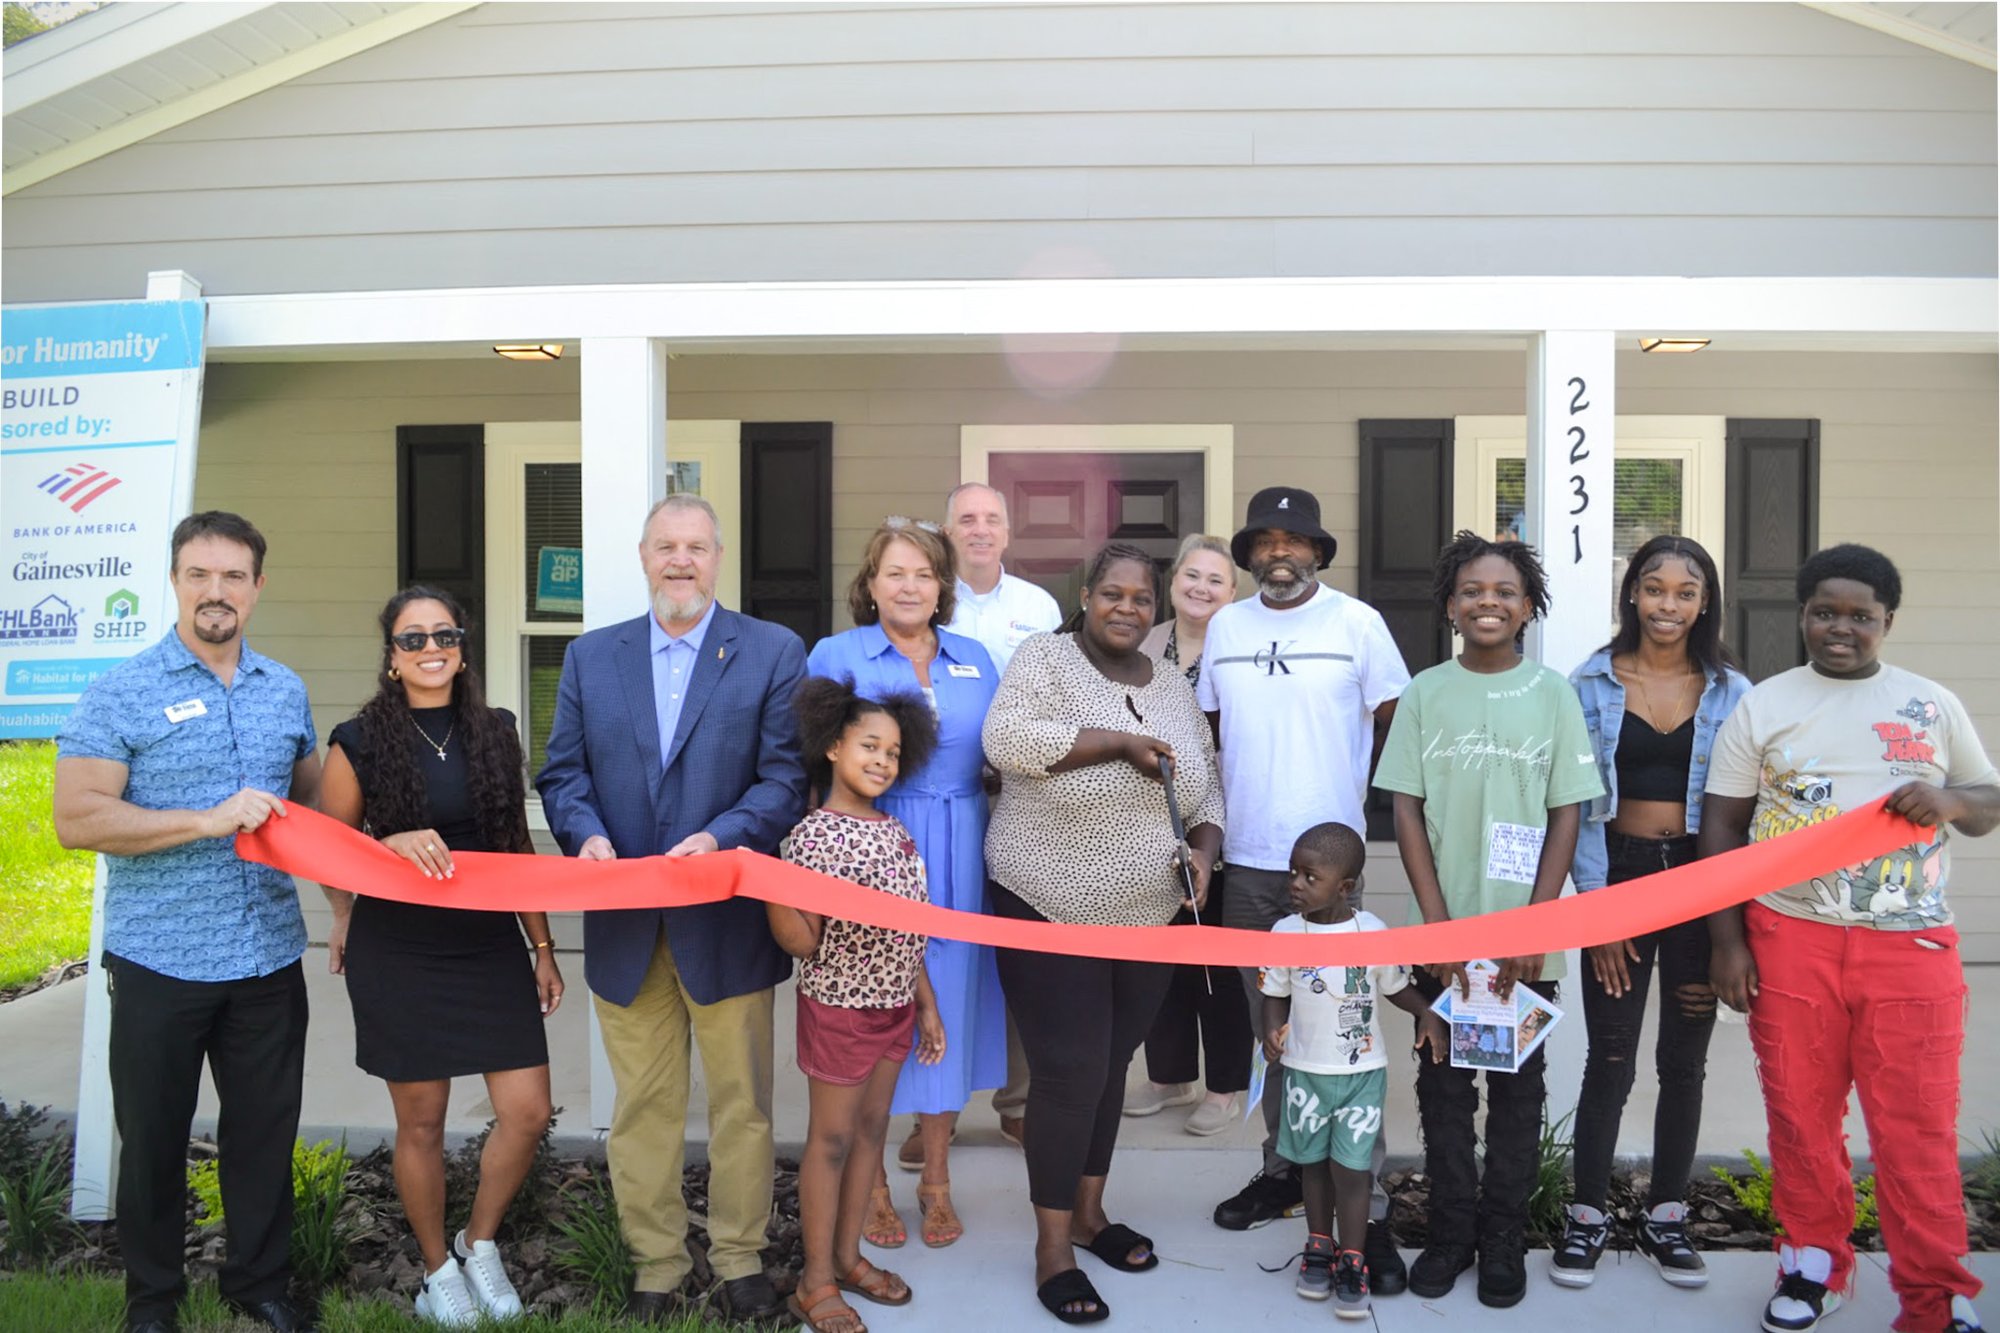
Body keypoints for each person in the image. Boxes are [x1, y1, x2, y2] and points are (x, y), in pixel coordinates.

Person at [1700, 544, 1998, 1333]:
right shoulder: (1765, 704)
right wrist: (1727, 943)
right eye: (1824, 611)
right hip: (1789, 935)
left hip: (1910, 947)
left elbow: (1989, 798)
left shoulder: (1928, 704)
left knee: (1918, 1125)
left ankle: (1936, 1296)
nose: (1841, 628)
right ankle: (1811, 1267)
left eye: (1860, 615)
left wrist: (1947, 798)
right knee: (1800, 1116)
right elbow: (1723, 825)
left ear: (1886, 622)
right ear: (1802, 614)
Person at [535, 494, 808, 1326]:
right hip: (626, 924)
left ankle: (738, 1254)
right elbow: (562, 772)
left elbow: (785, 776)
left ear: (717, 556)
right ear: (644, 555)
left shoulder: (771, 650)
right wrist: (581, 834)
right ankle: (655, 1258)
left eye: (695, 546)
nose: (680, 560)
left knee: (742, 1103)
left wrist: (722, 836)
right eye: (665, 546)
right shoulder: (591, 656)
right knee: (642, 1106)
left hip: (724, 922)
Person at [53, 511, 321, 1333]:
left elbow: (310, 804)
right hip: (160, 960)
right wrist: (205, 820)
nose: (216, 591)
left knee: (264, 1141)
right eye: (199, 574)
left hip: (266, 958)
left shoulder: (284, 688)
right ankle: (152, 1301)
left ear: (257, 587)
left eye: (233, 576)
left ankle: (260, 1286)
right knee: (154, 1144)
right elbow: (78, 817)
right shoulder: (122, 689)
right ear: (174, 579)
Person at [982, 542, 1224, 1324]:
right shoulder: (1044, 659)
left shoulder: (1172, 688)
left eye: (1141, 597)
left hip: (1149, 910)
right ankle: (1051, 1246)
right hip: (1046, 896)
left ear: (1156, 609)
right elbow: (1008, 742)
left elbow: (1206, 785)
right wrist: (1115, 742)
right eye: (1113, 593)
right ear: (1087, 595)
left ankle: (1090, 1213)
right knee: (1068, 1068)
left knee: (1112, 1062)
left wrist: (1205, 852)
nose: (1127, 607)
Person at [318, 587, 562, 1326]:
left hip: (487, 944)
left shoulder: (495, 729)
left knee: (528, 1109)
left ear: (463, 644)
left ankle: (477, 1241)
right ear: (391, 657)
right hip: (400, 948)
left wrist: (542, 946)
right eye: (413, 638)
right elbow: (331, 852)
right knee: (421, 1121)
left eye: (444, 634)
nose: (432, 648)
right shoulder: (357, 740)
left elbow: (517, 849)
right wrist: (378, 854)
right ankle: (435, 1270)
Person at [1372, 530, 1602, 1310]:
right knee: (1443, 1090)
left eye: (1505, 591)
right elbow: (1405, 808)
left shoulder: (1552, 694)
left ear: (1528, 605)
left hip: (1521, 948)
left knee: (1514, 1091)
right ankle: (1450, 1231)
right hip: (1443, 942)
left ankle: (1504, 1236)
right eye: (1472, 590)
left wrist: (1534, 928)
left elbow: (1567, 811)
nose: (1488, 602)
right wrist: (1437, 931)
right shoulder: (1427, 692)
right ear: (1449, 606)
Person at [1197, 486, 1411, 1291]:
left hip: (1337, 870)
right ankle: (1287, 1171)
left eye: (1296, 541)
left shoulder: (1356, 624)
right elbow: (1211, 730)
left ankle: (1368, 1204)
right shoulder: (1226, 627)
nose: (1279, 553)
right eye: (1265, 541)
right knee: (1276, 1034)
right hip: (1254, 864)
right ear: (1249, 554)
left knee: (1349, 1035)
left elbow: (1400, 717)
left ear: (1319, 553)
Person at [1551, 536, 1750, 1292]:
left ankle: (1667, 1212)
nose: (1669, 604)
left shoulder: (1735, 690)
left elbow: (1750, 812)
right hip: (1619, 876)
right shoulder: (1590, 682)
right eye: (1655, 588)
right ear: (1631, 593)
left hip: (1702, 887)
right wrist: (1599, 914)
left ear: (1705, 602)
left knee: (1684, 1061)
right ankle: (1587, 1213)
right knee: (1610, 1057)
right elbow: (1571, 803)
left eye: (1685, 591)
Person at [806, 518, 1006, 1249]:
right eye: (895, 572)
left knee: (946, 1010)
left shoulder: (976, 656)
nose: (910, 586)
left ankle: (937, 1178)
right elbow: (810, 763)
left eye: (923, 574)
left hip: (962, 851)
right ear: (870, 584)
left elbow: (1005, 752)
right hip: (873, 850)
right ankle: (876, 1183)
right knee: (877, 1010)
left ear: (943, 587)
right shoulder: (837, 654)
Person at [768, 677, 947, 1333]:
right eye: (869, 745)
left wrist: (925, 1002)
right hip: (841, 1010)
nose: (881, 759)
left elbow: (910, 928)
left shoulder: (895, 830)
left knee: (872, 1132)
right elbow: (803, 943)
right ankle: (814, 1281)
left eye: (893, 751)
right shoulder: (813, 836)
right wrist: (772, 887)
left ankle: (847, 1256)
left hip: (895, 1008)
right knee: (834, 1138)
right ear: (834, 747)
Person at [1260, 823, 1447, 1321]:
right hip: (1304, 1074)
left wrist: (1425, 1012)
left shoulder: (1371, 932)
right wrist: (1271, 1032)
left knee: (1353, 1169)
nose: (1295, 884)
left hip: (1361, 1074)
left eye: (1309, 876)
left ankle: (1354, 1257)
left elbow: (1395, 987)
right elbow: (1272, 994)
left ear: (1345, 887)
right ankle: (1319, 1247)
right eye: (1293, 873)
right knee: (1314, 1165)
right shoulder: (1284, 932)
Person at [939, 480, 1062, 1158]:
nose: (979, 529)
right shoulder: (930, 597)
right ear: (948, 529)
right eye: (966, 519)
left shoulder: (1037, 607)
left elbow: (1053, 698)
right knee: (947, 948)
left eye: (991, 519)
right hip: (943, 798)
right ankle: (941, 1107)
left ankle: (1018, 1101)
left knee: (1020, 946)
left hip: (1021, 797)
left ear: (1008, 533)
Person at [1126, 534, 1250, 1135]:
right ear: (1173, 582)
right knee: (1162, 956)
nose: (1201, 588)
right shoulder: (1144, 640)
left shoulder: (1244, 645)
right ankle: (1170, 1075)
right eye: (1191, 576)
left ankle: (1225, 1083)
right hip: (1146, 824)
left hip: (1218, 820)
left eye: (1215, 580)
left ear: (1234, 592)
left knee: (1216, 963)